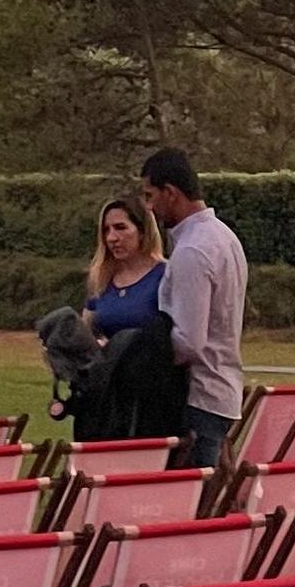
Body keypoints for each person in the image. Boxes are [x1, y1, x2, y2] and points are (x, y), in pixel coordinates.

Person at [36, 191, 177, 436]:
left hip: (146, 400)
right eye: (106, 230)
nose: (112, 238)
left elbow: (172, 340)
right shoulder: (101, 280)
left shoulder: (165, 276)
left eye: (121, 228)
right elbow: (87, 330)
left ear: (142, 230)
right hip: (101, 398)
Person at [141, 147, 246, 470]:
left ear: (170, 193)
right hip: (222, 390)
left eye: (150, 195)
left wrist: (138, 352)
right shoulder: (225, 237)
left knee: (190, 505)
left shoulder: (193, 251)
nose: (149, 207)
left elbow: (189, 341)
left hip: (198, 396)